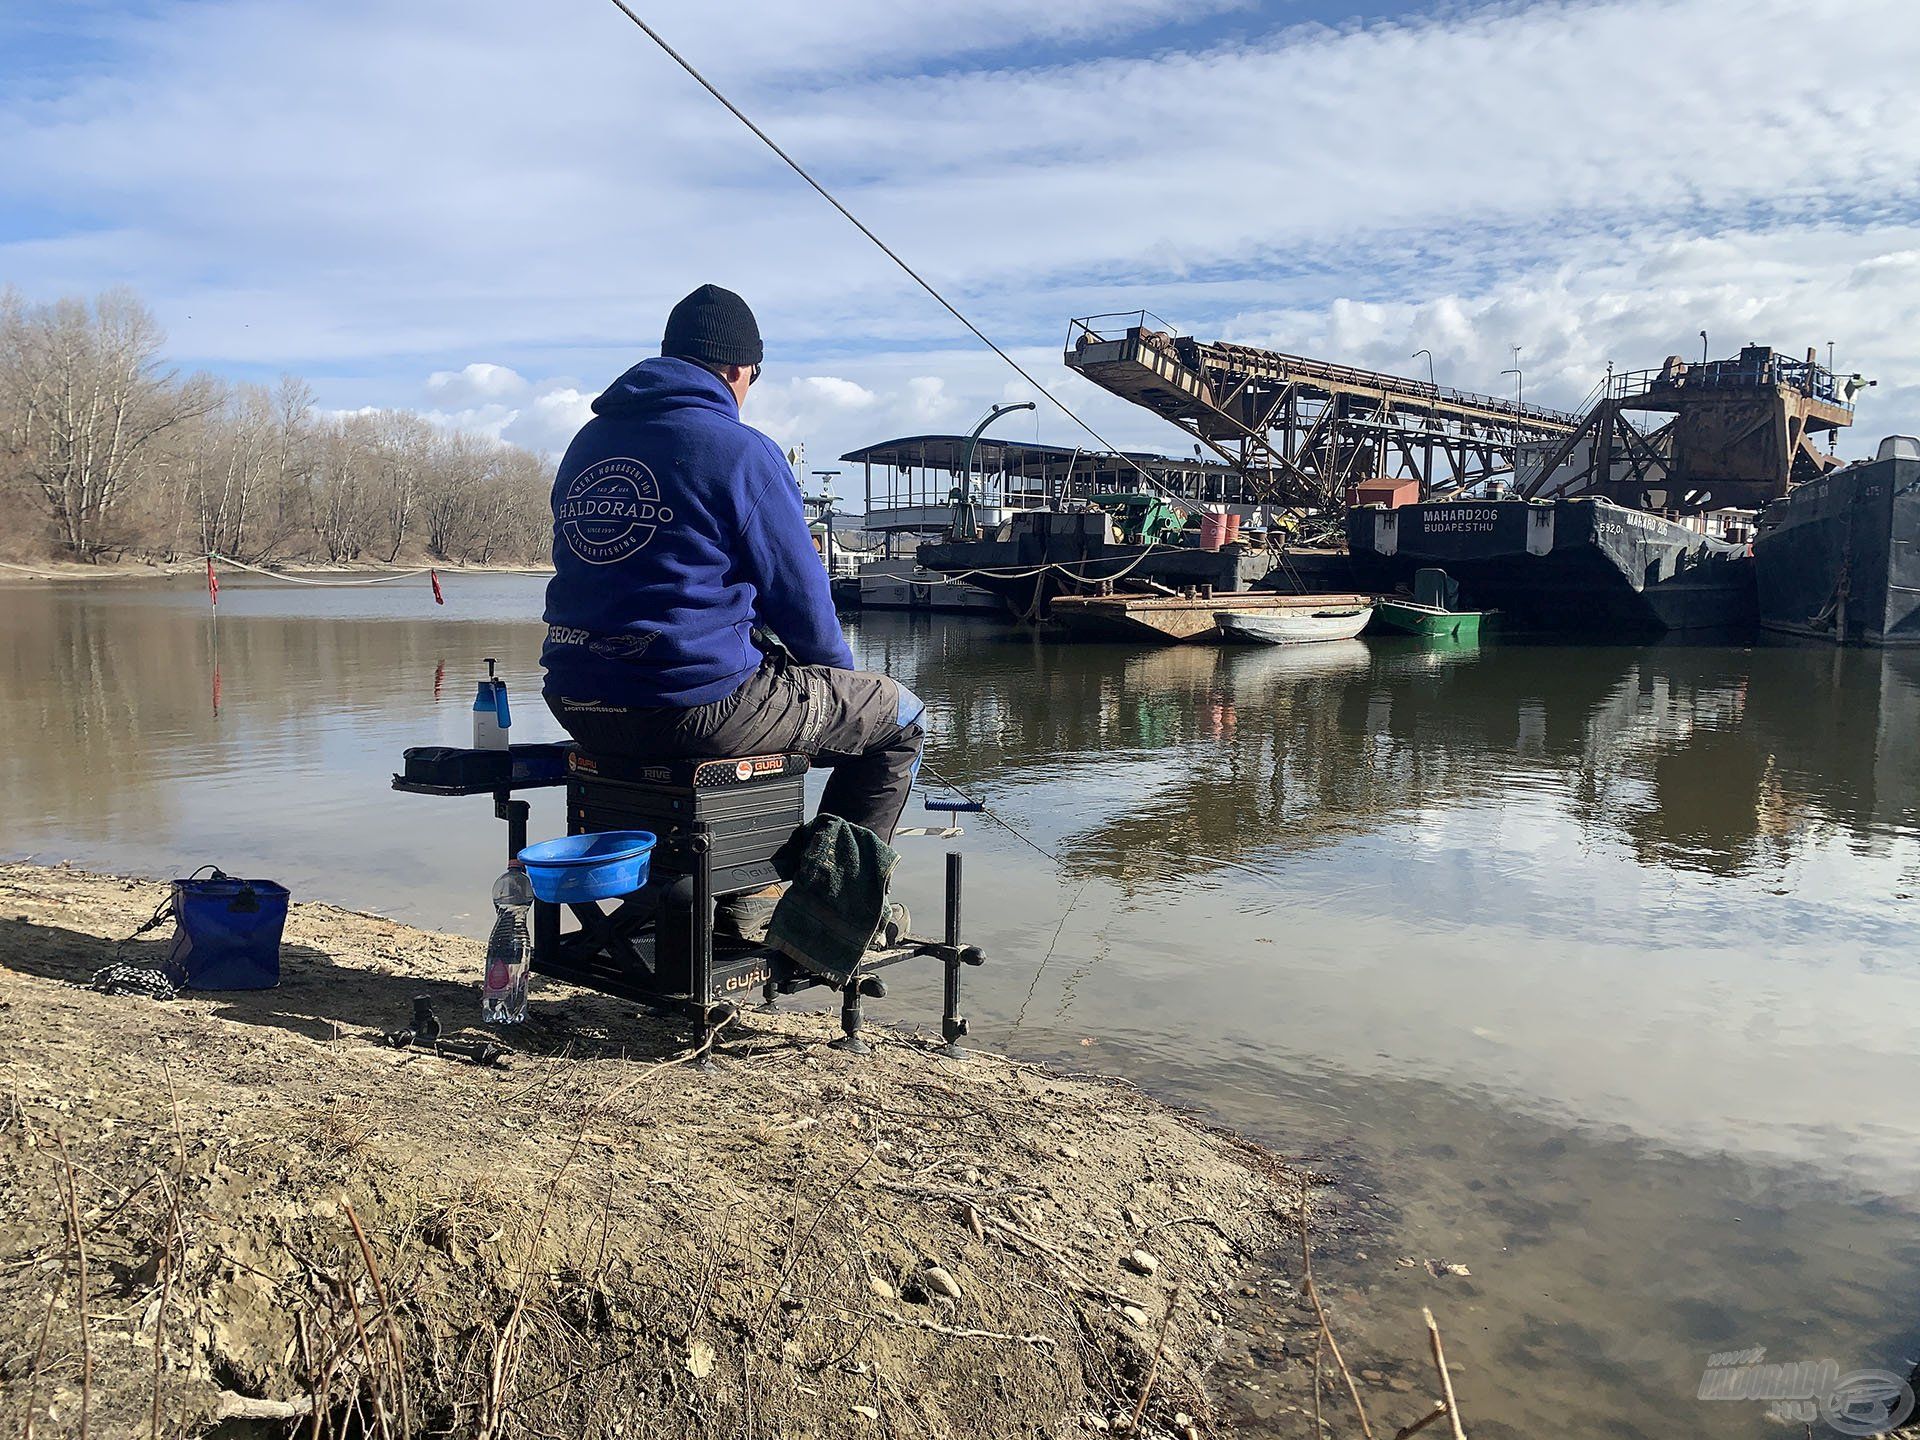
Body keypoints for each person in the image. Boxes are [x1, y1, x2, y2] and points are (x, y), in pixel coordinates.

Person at [540, 286, 924, 933]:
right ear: (739, 370)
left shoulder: (587, 443)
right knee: (898, 719)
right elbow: (805, 608)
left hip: (577, 702)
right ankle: (826, 911)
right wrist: (838, 690)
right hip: (691, 710)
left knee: (791, 706)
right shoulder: (741, 450)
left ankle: (740, 888)